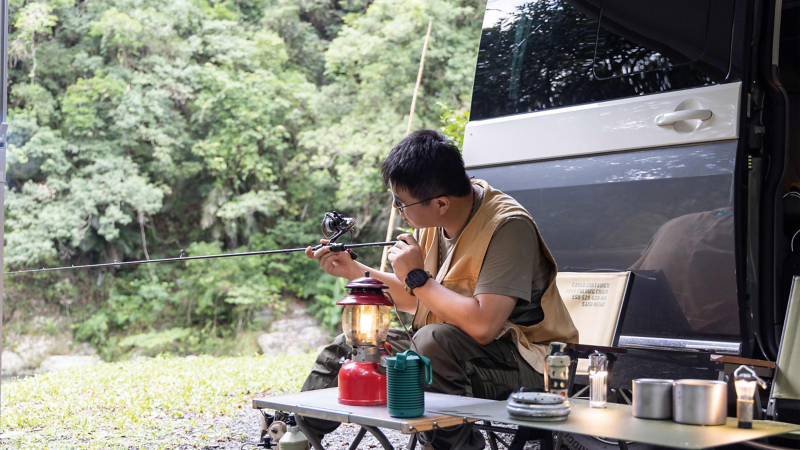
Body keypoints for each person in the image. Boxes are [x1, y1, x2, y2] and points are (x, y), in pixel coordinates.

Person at [299, 129, 578, 450]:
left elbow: (484, 326)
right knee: (359, 341)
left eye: (400, 202)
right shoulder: (435, 222)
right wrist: (353, 270)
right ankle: (297, 431)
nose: (395, 209)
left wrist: (418, 276)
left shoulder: (508, 228)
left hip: (533, 364)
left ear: (441, 202)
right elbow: (418, 299)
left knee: (432, 343)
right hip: (457, 346)